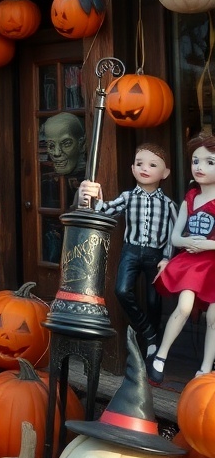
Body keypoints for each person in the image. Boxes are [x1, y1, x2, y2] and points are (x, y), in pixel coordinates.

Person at [78, 143, 178, 357]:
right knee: (122, 290)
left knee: (154, 300)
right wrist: (94, 196)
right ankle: (147, 330)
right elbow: (106, 210)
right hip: (131, 251)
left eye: (153, 165)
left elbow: (173, 233)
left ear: (165, 173)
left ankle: (154, 339)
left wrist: (167, 258)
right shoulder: (128, 197)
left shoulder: (168, 204)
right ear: (133, 168)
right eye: (139, 164)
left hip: (155, 255)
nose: (145, 168)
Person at [146, 133, 215, 384]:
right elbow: (175, 237)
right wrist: (188, 242)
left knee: (213, 318)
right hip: (193, 264)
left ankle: (205, 368)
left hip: (213, 264)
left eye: (209, 162)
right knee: (184, 306)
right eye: (195, 161)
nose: (199, 167)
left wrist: (205, 244)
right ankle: (160, 356)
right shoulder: (190, 198)